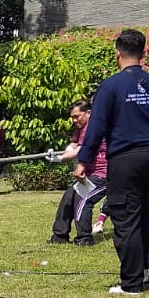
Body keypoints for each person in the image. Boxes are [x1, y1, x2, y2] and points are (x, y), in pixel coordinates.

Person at [77, 29, 149, 295]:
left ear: (117, 53)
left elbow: (96, 128)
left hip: (126, 157)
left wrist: (84, 160)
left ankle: (131, 283)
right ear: (144, 53)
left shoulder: (110, 86)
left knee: (124, 216)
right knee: (141, 210)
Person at [54, 99, 107, 246]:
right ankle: (59, 236)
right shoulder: (81, 128)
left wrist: (60, 158)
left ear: (88, 113)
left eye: (77, 116)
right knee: (68, 197)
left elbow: (80, 150)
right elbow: (74, 145)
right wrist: (64, 151)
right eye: (72, 117)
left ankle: (84, 238)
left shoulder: (94, 127)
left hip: (104, 174)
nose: (74, 120)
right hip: (89, 174)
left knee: (83, 199)